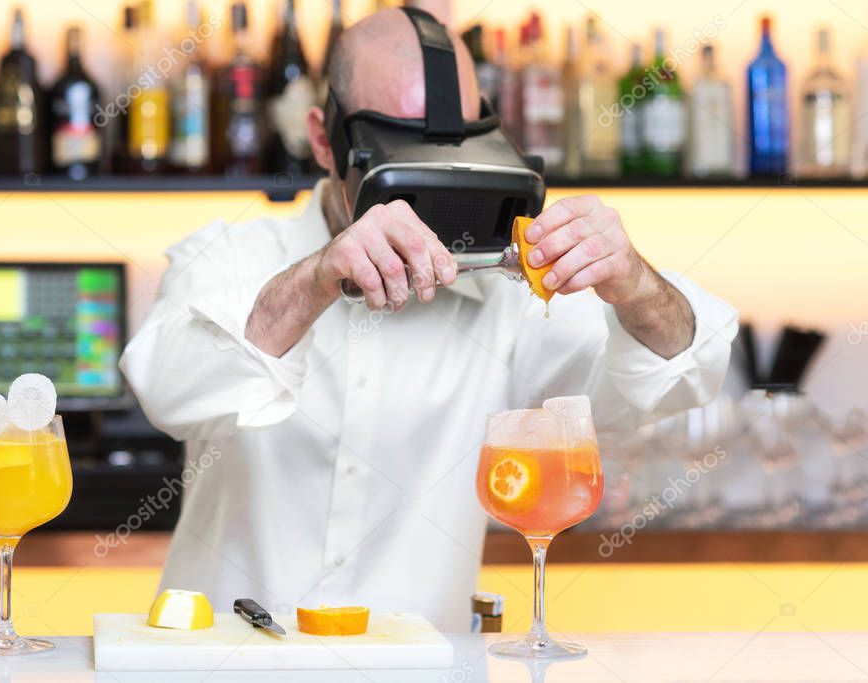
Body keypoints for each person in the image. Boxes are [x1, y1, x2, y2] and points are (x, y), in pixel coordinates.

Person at [120, 9, 738, 632]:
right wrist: (315, 281)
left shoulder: (508, 297)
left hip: (417, 666)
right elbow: (168, 387)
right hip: (219, 664)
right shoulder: (226, 258)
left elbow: (677, 377)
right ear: (321, 139)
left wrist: (634, 285)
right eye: (400, 143)